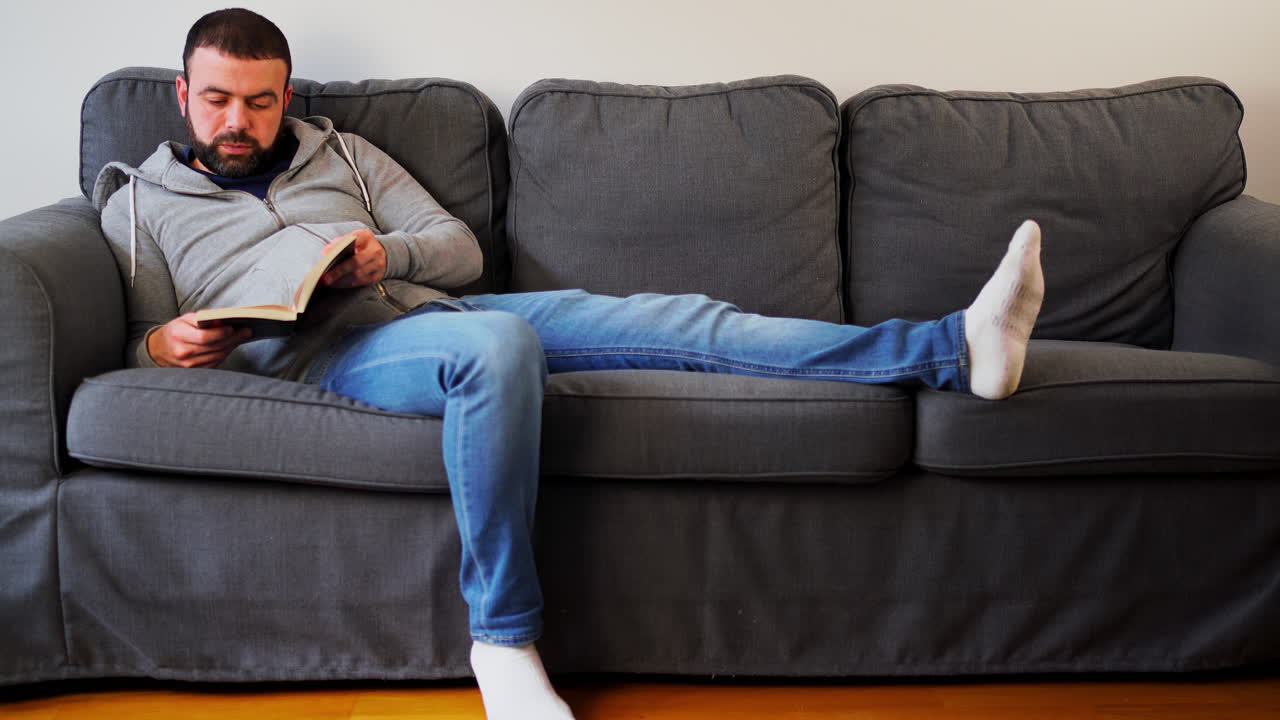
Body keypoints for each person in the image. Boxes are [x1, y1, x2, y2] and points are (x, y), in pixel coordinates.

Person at [93, 9, 1044, 720]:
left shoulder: (341, 151)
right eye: (217, 98)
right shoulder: (140, 205)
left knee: (677, 317)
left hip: (437, 310)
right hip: (324, 357)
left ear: (286, 97)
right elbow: (134, 340)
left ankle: (953, 347)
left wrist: (392, 256)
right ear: (183, 95)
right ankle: (503, 642)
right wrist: (161, 344)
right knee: (497, 346)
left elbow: (456, 247)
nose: (239, 120)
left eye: (260, 101)